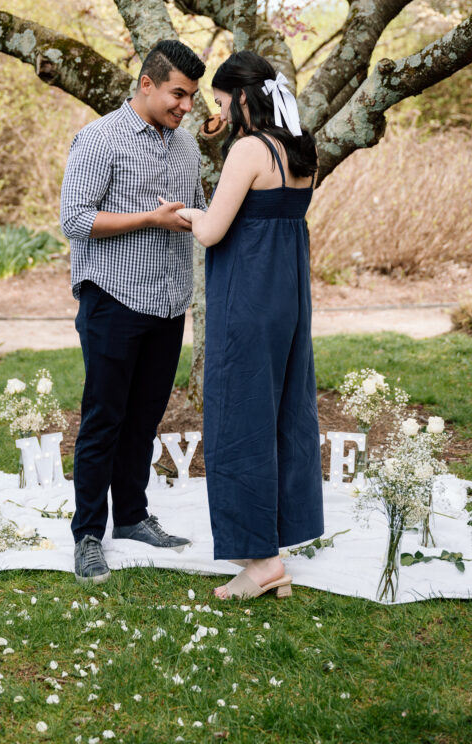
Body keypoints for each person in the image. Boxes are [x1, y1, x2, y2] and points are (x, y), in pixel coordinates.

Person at [177, 50, 324, 600]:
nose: (217, 110)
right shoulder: (300, 150)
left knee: (239, 418)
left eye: (219, 99)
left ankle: (260, 563)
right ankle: (274, 551)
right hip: (287, 296)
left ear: (241, 97)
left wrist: (184, 213)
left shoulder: (248, 149)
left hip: (247, 294)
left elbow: (214, 230)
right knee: (284, 414)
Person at [60, 39, 206, 584]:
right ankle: (88, 536)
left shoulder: (187, 146)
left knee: (144, 418)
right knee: (104, 419)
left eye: (191, 98)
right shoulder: (99, 139)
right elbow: (75, 220)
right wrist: (149, 219)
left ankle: (134, 518)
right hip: (113, 299)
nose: (186, 107)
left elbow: (193, 212)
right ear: (147, 84)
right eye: (178, 94)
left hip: (169, 304)